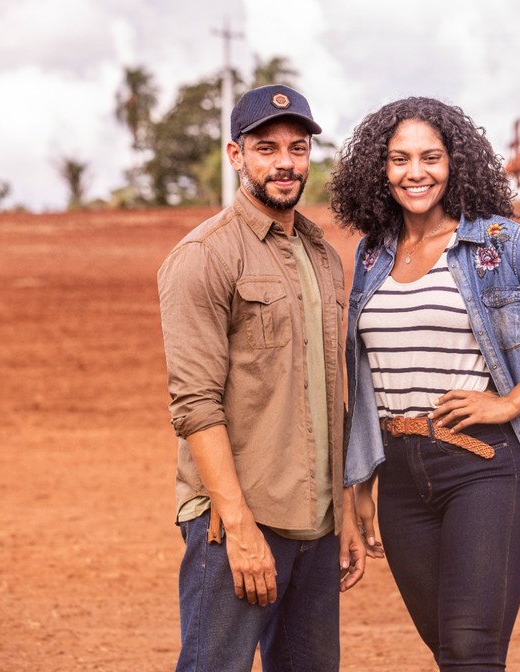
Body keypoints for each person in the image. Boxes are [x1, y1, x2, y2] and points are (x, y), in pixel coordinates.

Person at [328, 97, 520, 670]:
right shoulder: (372, 253)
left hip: (483, 466)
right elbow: (363, 376)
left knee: (471, 649)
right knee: (450, 652)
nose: (415, 173)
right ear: (378, 170)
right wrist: (359, 484)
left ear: (455, 162)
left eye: (430, 158)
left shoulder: (503, 243)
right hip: (400, 474)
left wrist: (510, 402)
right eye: (399, 159)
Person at [157, 84, 366, 672]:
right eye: (266, 148)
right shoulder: (205, 256)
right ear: (235, 155)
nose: (285, 163)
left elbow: (334, 395)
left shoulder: (323, 254)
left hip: (316, 524)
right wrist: (239, 527)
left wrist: (343, 514)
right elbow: (194, 404)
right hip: (237, 525)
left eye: (297, 149)